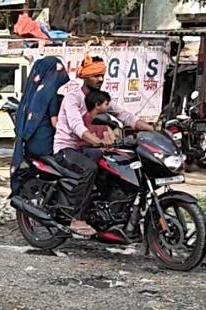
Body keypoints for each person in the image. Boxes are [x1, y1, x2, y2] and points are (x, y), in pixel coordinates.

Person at [53, 56, 154, 236]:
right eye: (95, 75)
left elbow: (125, 116)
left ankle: (110, 214)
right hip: (67, 148)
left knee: (118, 166)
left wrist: (152, 130)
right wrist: (96, 141)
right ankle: (77, 219)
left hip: (88, 148)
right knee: (90, 169)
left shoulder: (100, 98)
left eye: (102, 75)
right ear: (85, 77)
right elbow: (77, 126)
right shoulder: (72, 98)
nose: (100, 79)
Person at [9, 56, 70, 195]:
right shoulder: (50, 92)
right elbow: (55, 124)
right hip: (44, 147)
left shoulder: (33, 93)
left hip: (30, 145)